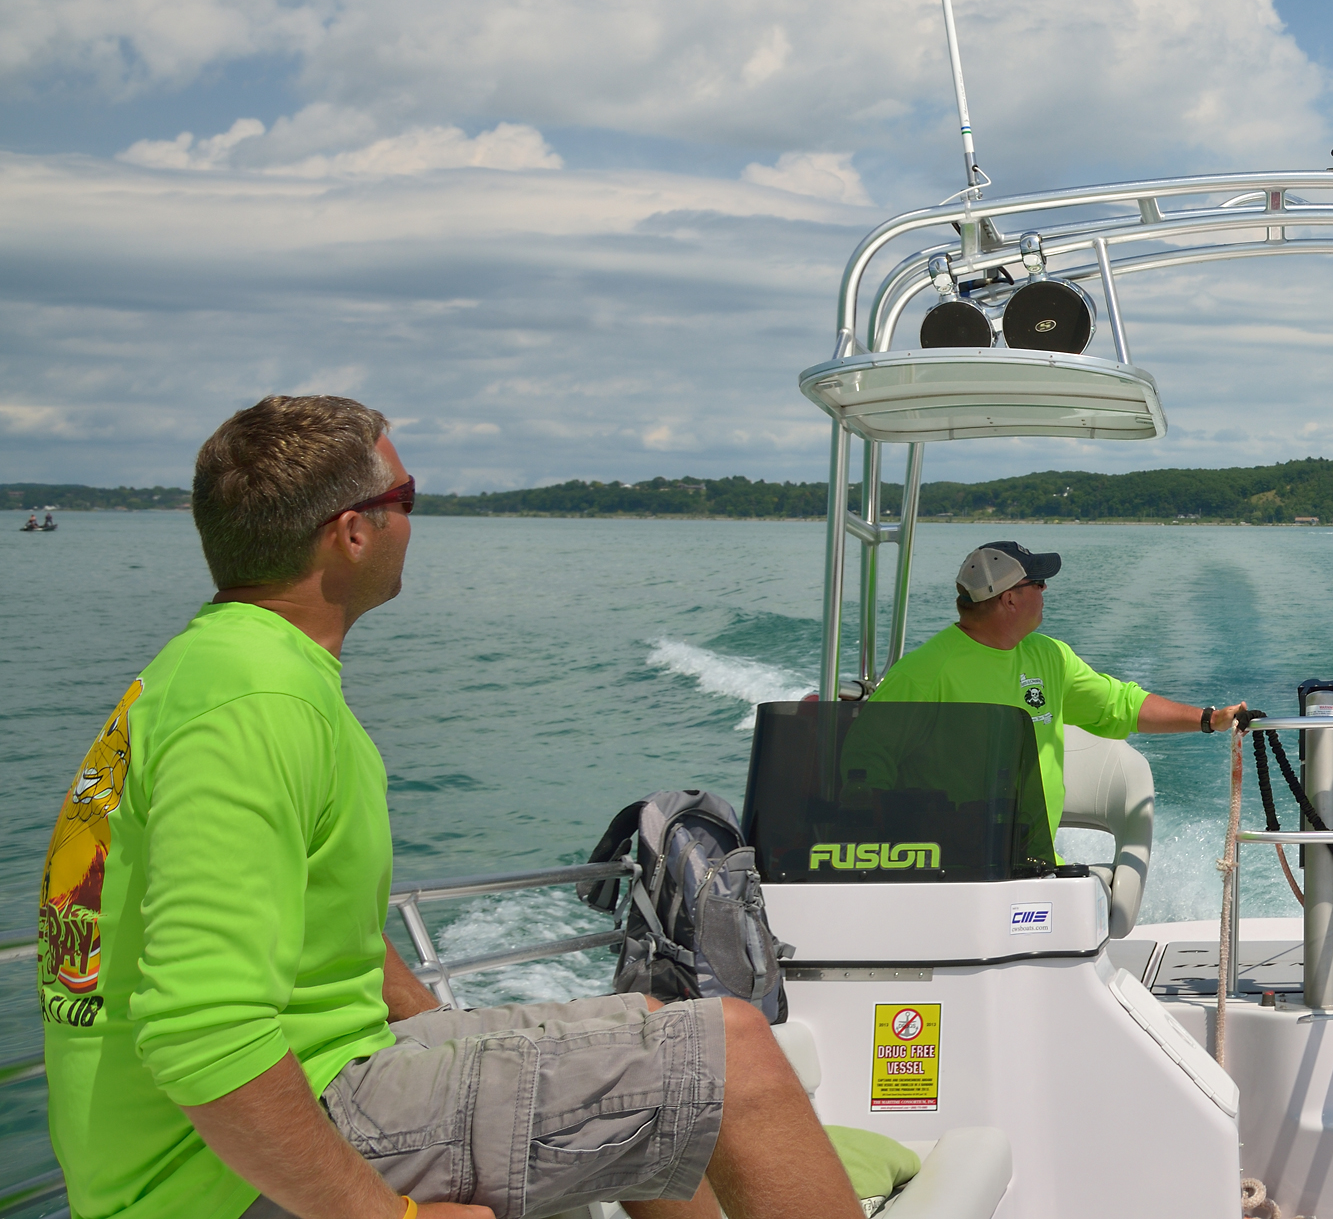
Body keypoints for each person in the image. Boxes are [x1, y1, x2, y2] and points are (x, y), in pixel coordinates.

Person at [41, 395, 856, 1219]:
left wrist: (462, 1041)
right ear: (353, 532)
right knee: (738, 1054)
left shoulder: (212, 670)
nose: (412, 521)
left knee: (652, 1025)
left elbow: (331, 931)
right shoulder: (257, 704)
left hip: (320, 1069)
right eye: (409, 499)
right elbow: (200, 1033)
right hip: (209, 1175)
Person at [870, 542, 1249, 853]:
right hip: (949, 867)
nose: (1045, 589)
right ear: (1010, 600)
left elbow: (1121, 705)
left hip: (1034, 859)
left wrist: (1207, 719)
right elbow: (862, 769)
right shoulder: (923, 674)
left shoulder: (1049, 656)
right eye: (1037, 582)